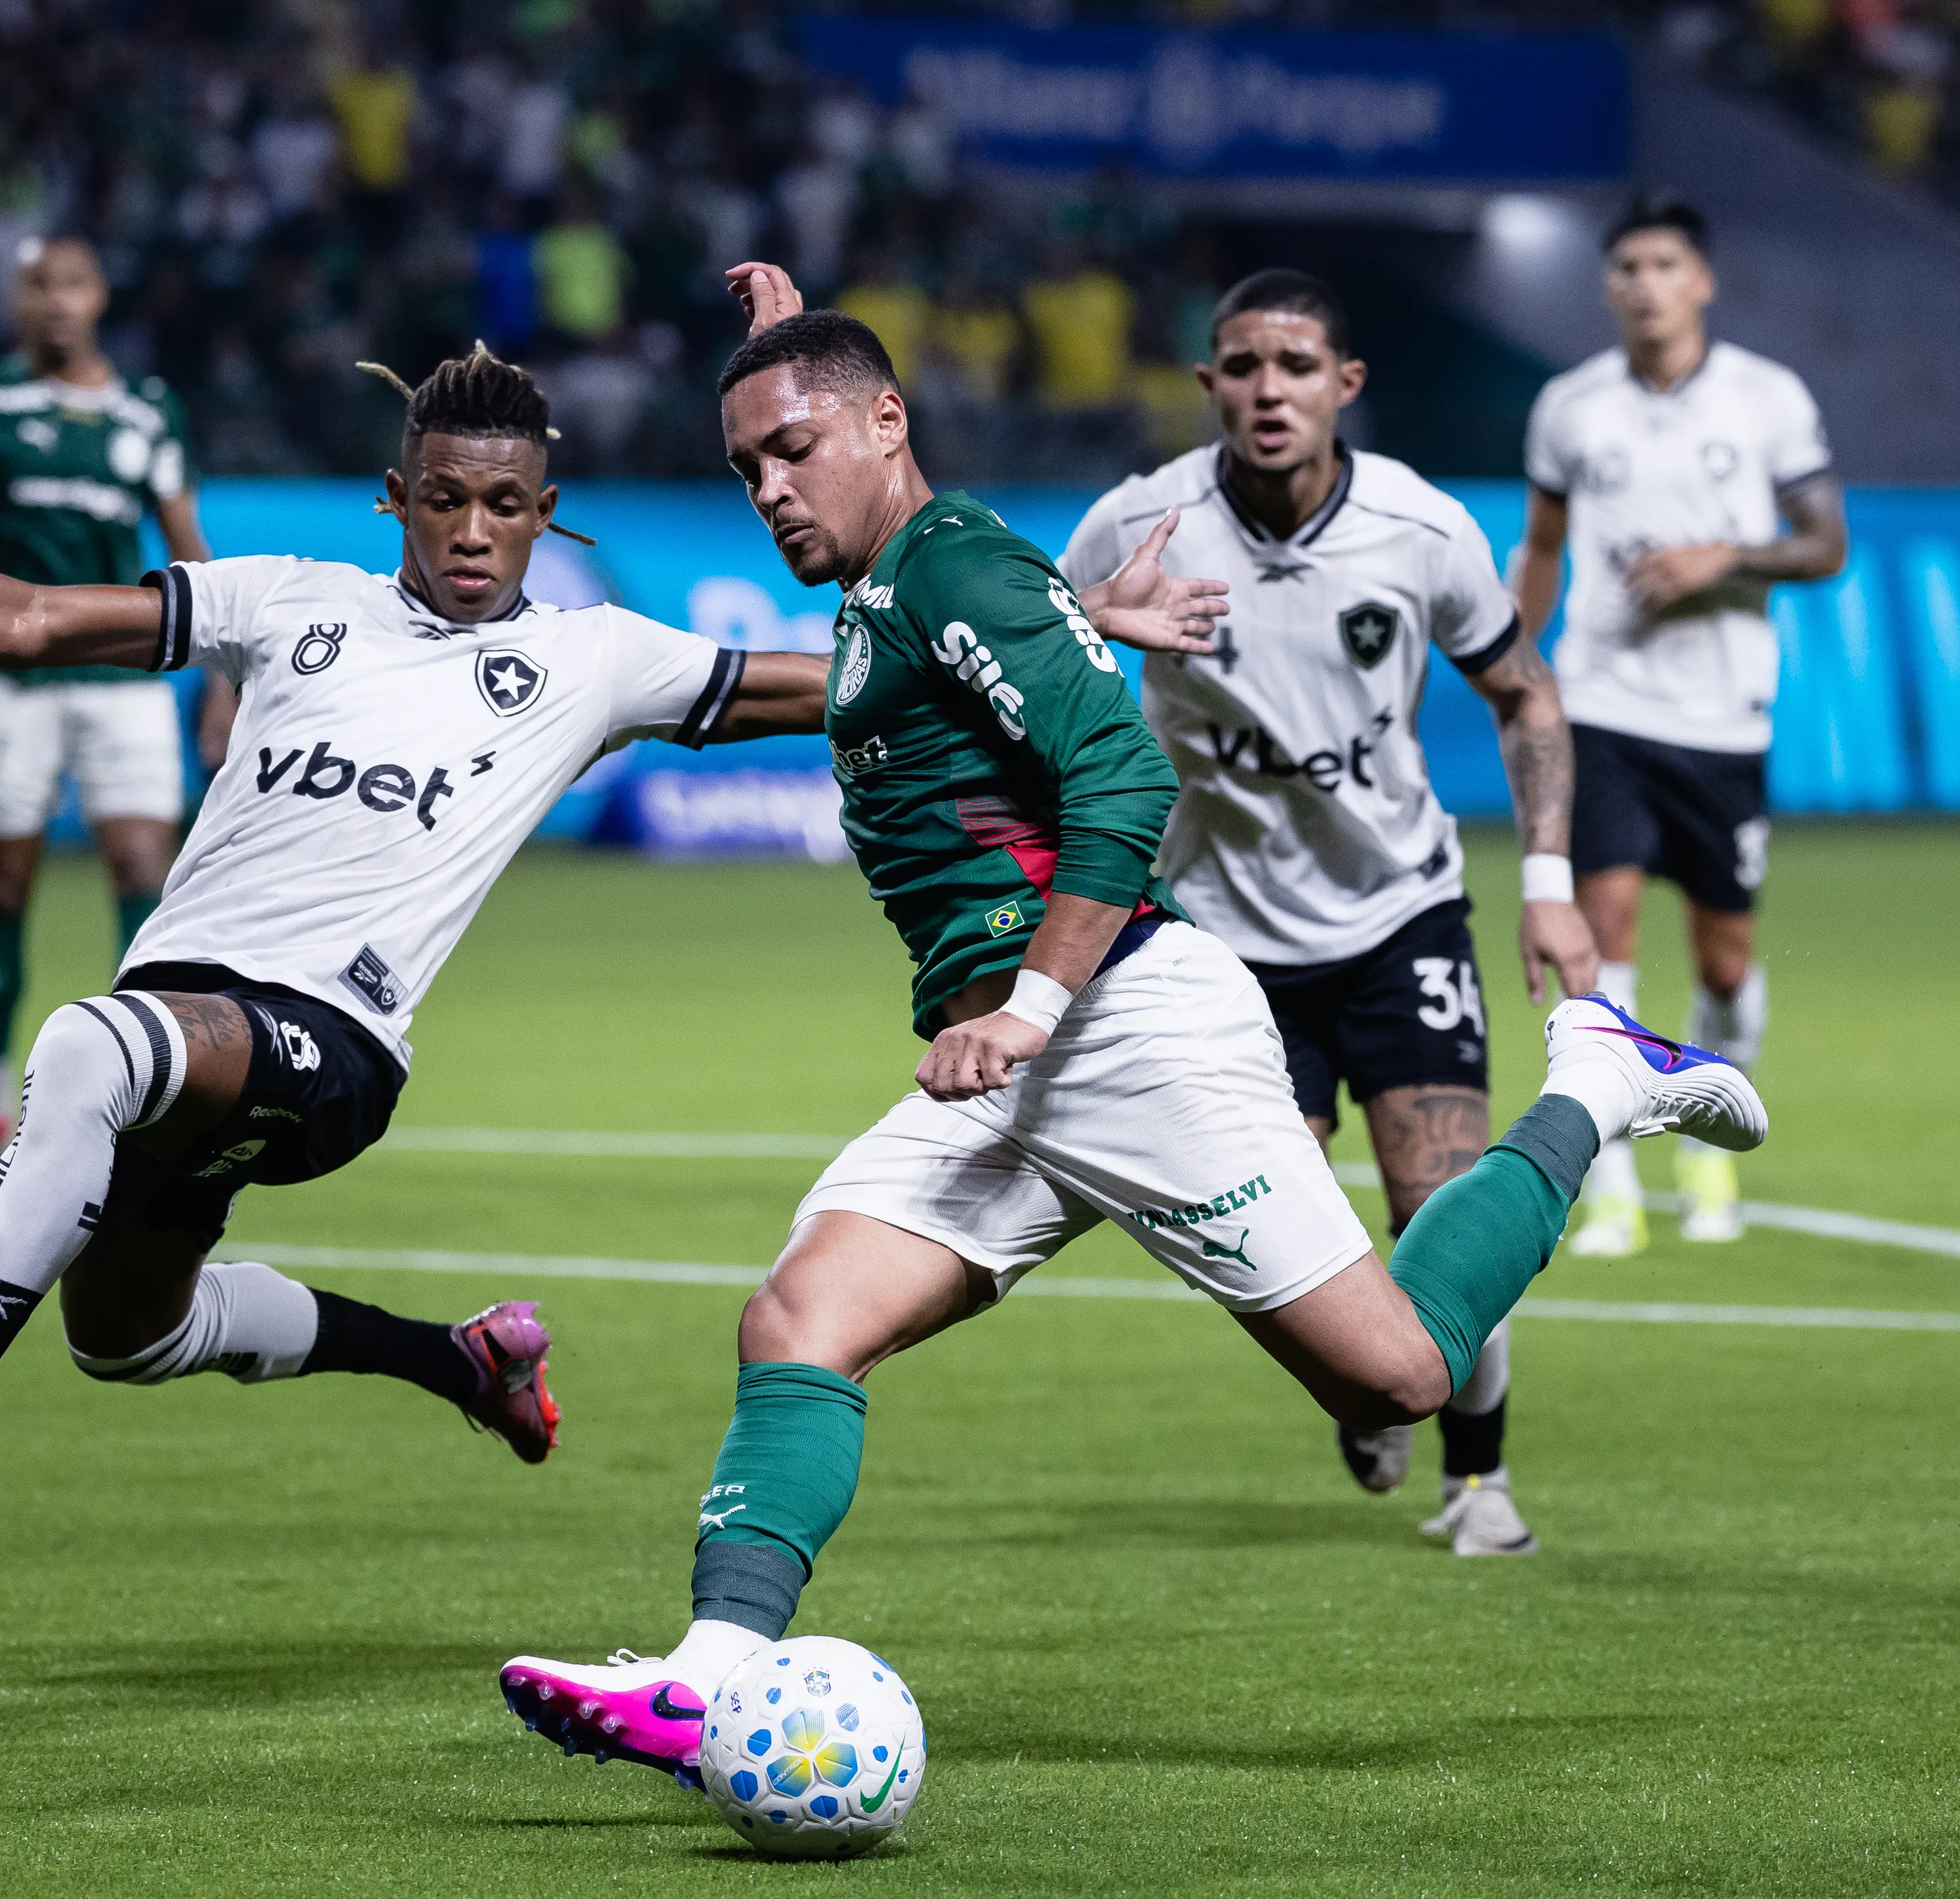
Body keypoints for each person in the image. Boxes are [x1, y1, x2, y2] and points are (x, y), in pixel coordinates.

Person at [493, 270, 1765, 1782]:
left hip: (1110, 1029)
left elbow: (1124, 786)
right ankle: (709, 1673)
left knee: (1400, 1376)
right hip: (1017, 1062)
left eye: (792, 448)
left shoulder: (947, 562)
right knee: (799, 1316)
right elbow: (986, 645)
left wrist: (1029, 1007)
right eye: (743, 468)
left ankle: (1597, 1084)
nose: (769, 488)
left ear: (885, 424)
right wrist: (807, 350)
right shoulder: (906, 588)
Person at [0, 345, 843, 1564]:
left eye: (505, 506)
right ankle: (461, 1356)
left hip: (333, 1046)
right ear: (396, 497)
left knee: (86, 1046)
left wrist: (1027, 642)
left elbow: (835, 686)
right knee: (123, 1337)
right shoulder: (290, 601)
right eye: (444, 497)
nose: (473, 531)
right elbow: (28, 624)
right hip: (186, 1038)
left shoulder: (594, 661)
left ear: (545, 515)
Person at [1059, 267, 1599, 1556]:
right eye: (1242, 366)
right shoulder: (1141, 522)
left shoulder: (1419, 532)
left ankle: (1479, 1483)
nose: (1268, 392)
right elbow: (1030, 669)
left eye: (1296, 367)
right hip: (1225, 946)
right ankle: (1370, 1386)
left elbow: (1526, 695)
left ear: (1345, 384)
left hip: (1400, 912)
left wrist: (1548, 886)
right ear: (1208, 386)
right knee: (1283, 1241)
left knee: (1444, 1203)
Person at [1511, 196, 1847, 1256]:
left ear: (1700, 280)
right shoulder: (1571, 406)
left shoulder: (1766, 398)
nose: (1644, 283)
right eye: (1626, 266)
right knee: (1605, 950)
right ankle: (1607, 1180)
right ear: (1608, 285)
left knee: (1726, 964)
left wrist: (1725, 556)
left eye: (1663, 264)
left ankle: (1706, 1136)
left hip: (1723, 718)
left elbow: (1825, 543)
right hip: (1603, 707)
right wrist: (1513, 661)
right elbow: (1544, 546)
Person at [0, 236, 231, 1176]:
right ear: (17, 300)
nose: (57, 303)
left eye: (73, 284)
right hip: (13, 683)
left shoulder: (146, 412)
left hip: (123, 679)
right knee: (4, 886)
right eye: (39, 287)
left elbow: (189, 548)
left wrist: (223, 677)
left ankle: (145, 1091)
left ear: (100, 295)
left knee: (140, 874)